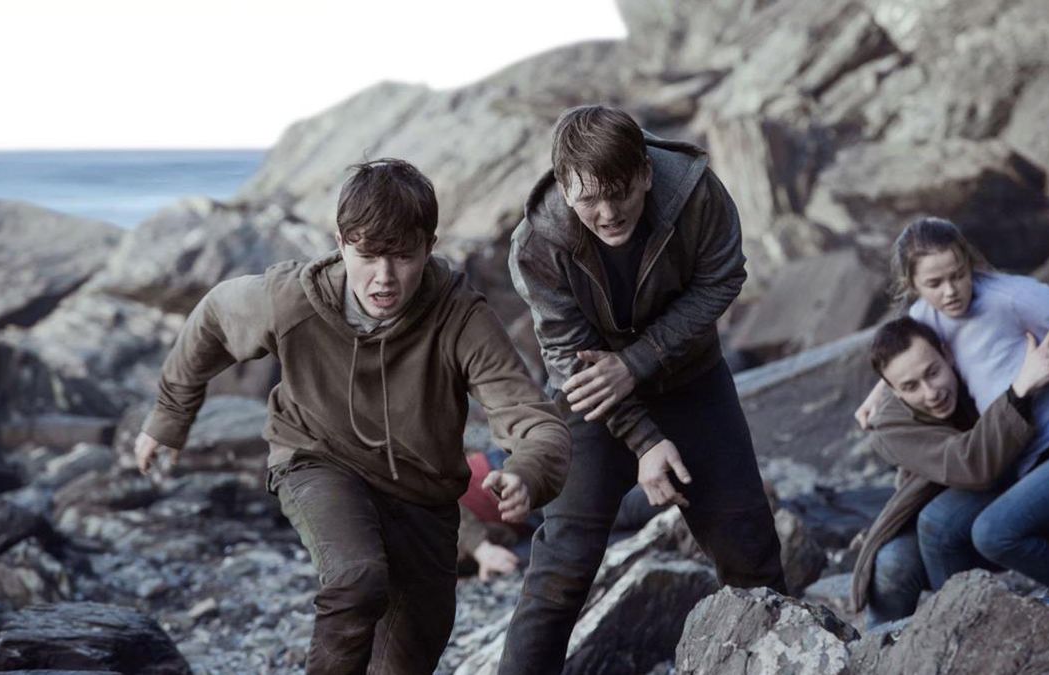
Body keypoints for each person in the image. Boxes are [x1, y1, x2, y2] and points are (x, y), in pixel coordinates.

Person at [132, 159, 571, 675]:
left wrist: (527, 471)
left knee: (411, 653)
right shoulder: (291, 299)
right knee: (357, 578)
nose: (384, 278)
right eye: (368, 256)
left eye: (403, 257)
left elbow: (532, 417)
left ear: (429, 246)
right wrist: (169, 416)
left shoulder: (460, 319)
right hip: (317, 457)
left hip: (424, 496)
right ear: (341, 243)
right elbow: (211, 320)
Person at [500, 105, 785, 673]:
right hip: (591, 398)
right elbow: (568, 358)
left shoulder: (695, 193)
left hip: (692, 378)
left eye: (620, 193)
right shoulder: (538, 241)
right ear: (565, 187)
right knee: (561, 571)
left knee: (749, 548)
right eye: (588, 200)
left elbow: (723, 278)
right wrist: (645, 441)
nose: (607, 214)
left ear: (646, 174)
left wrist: (637, 361)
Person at [855, 217, 1049, 593]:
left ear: (969, 263)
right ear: (913, 286)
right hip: (1042, 445)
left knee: (994, 531)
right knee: (941, 525)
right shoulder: (925, 316)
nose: (950, 292)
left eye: (958, 275)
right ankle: (963, 617)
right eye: (934, 283)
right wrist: (877, 395)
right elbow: (904, 357)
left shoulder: (1011, 296)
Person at [853, 316, 1049, 625]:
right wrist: (1019, 391)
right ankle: (892, 643)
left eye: (932, 373)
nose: (930, 392)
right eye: (910, 386)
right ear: (893, 392)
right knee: (894, 561)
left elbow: (937, 308)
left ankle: (968, 624)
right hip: (960, 496)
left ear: (948, 354)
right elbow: (971, 465)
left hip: (1022, 480)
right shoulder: (889, 426)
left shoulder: (972, 359)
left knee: (940, 522)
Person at [458, 447, 663, 581]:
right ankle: (665, 533)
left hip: (501, 481)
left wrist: (479, 547)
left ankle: (674, 500)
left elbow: (441, 500)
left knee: (607, 511)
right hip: (510, 530)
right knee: (578, 548)